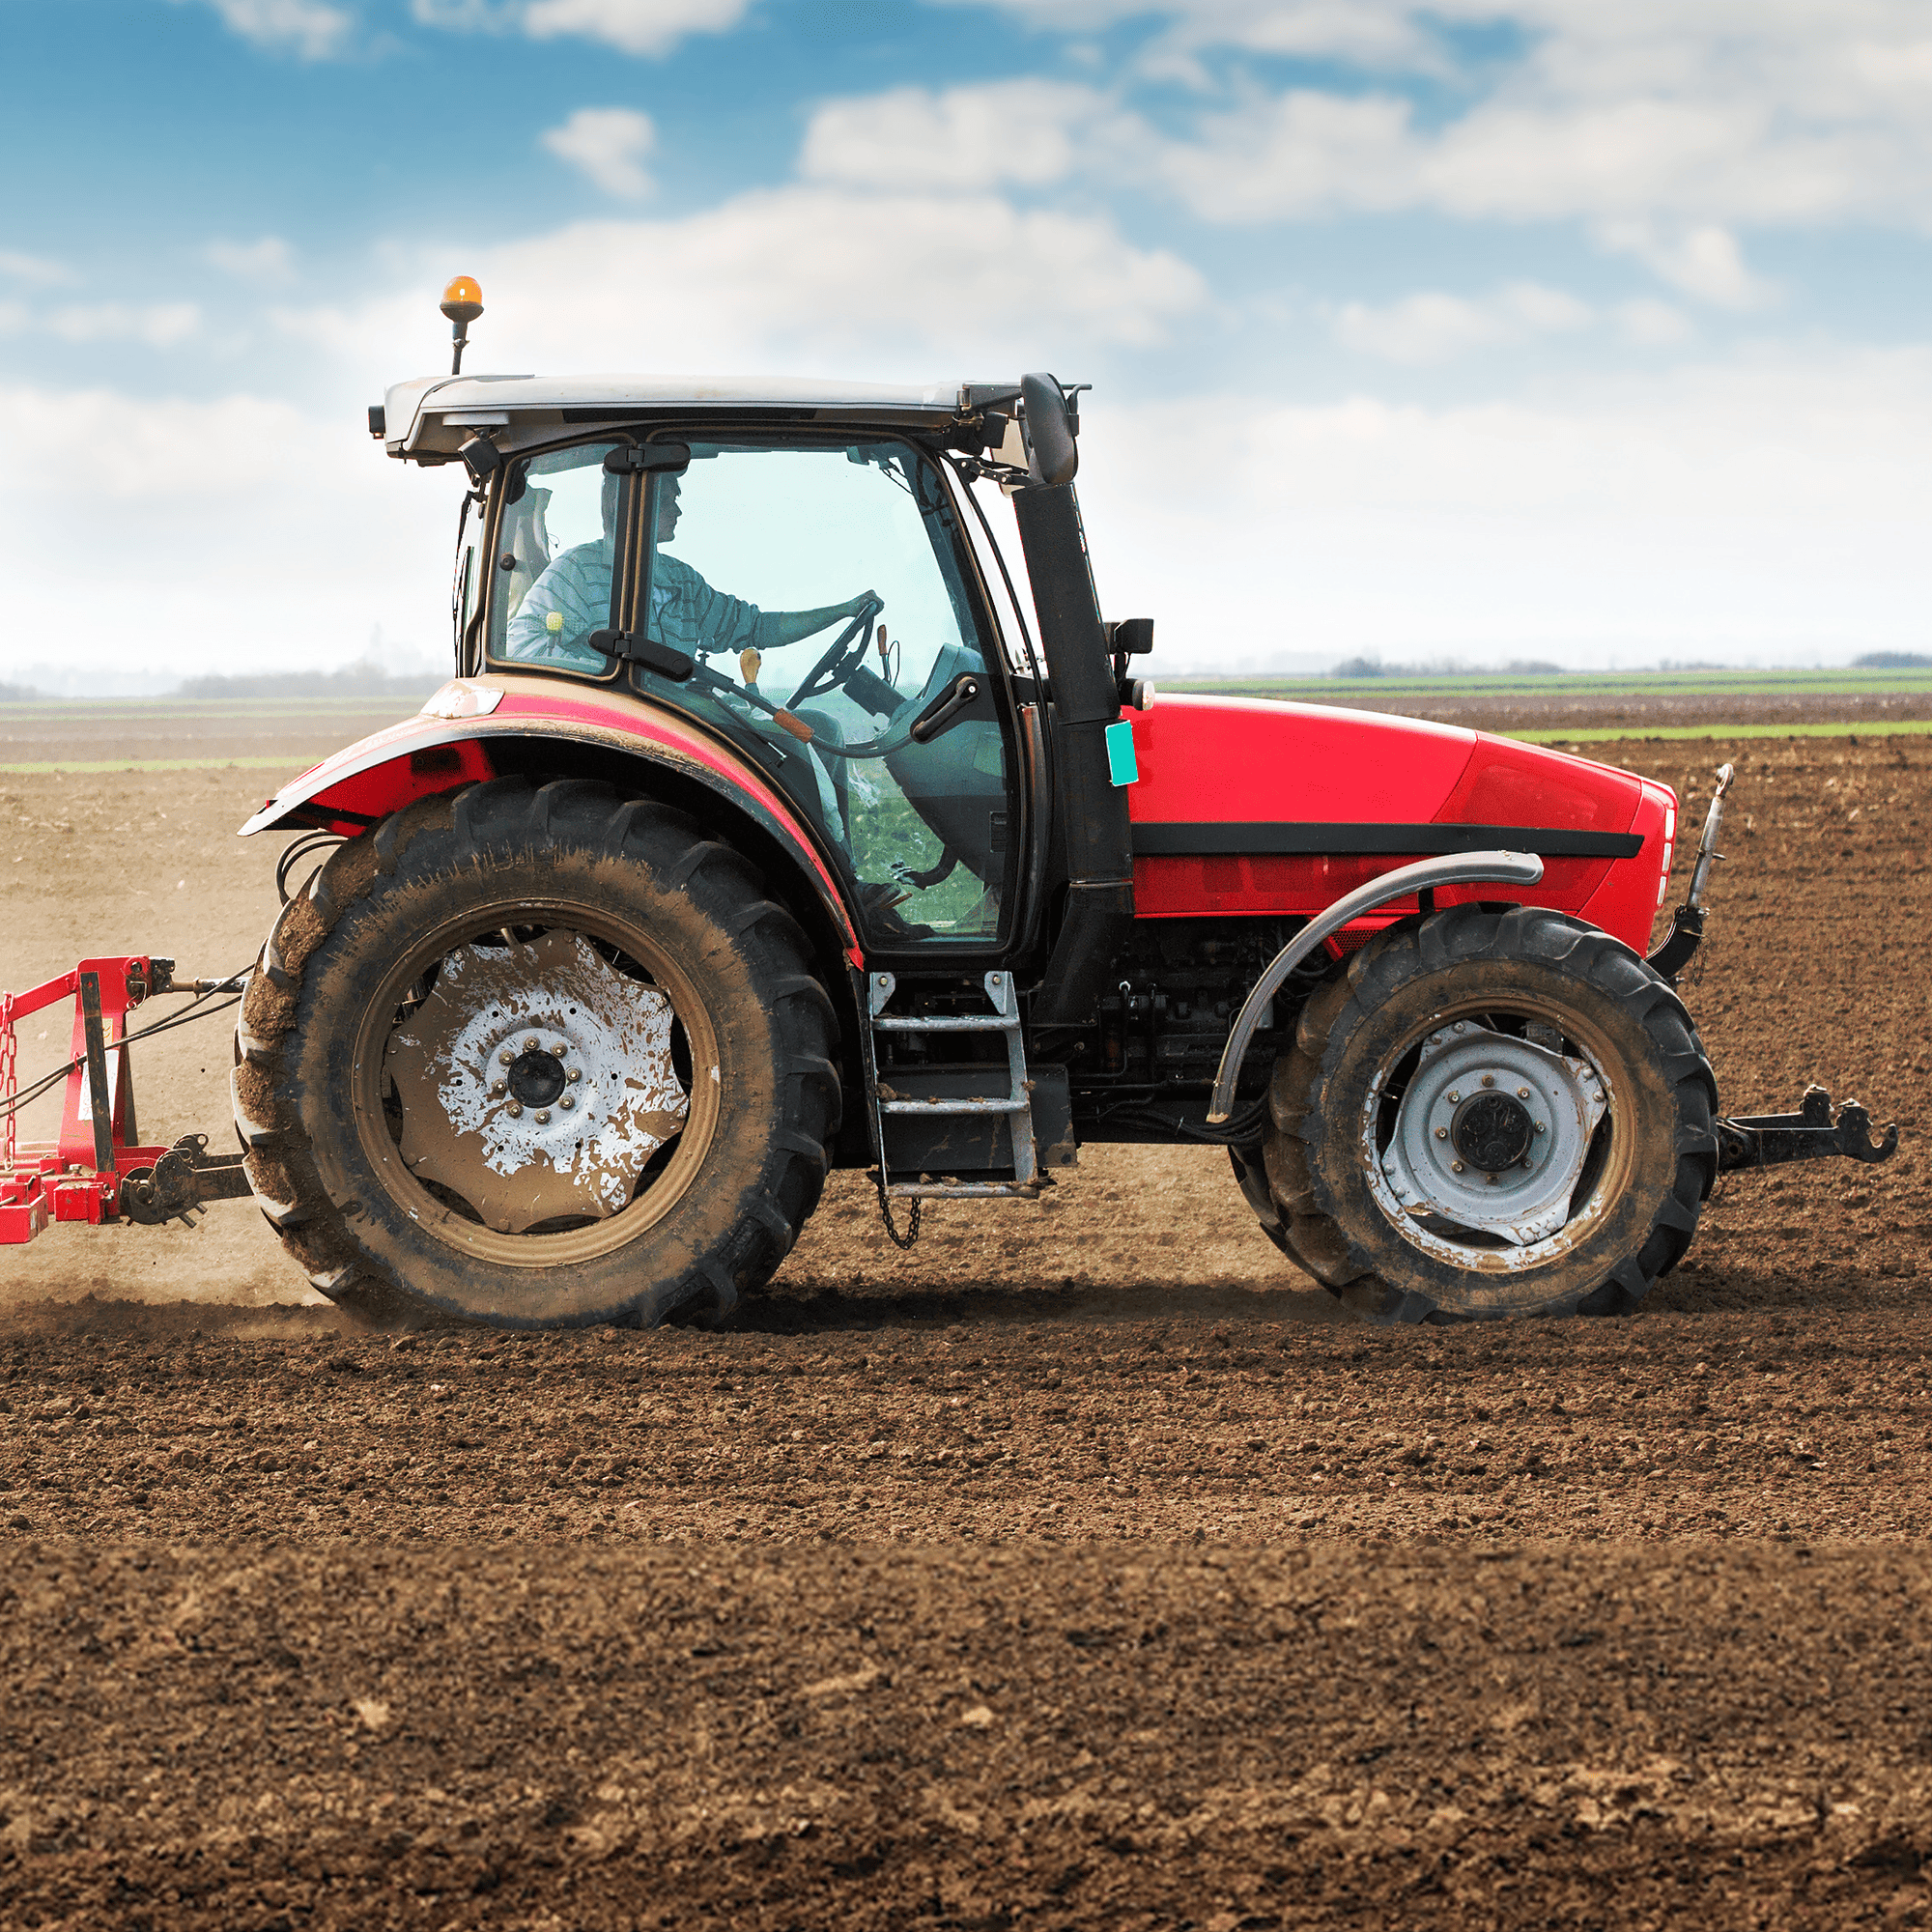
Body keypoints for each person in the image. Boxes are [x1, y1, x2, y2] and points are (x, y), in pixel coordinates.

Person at [505, 471, 874, 671]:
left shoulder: (682, 581)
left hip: (676, 716)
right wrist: (613, 676)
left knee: (817, 727)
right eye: (668, 500)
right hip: (620, 722)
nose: (677, 512)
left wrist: (841, 611)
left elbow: (757, 627)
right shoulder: (577, 572)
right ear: (629, 503)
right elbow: (522, 645)